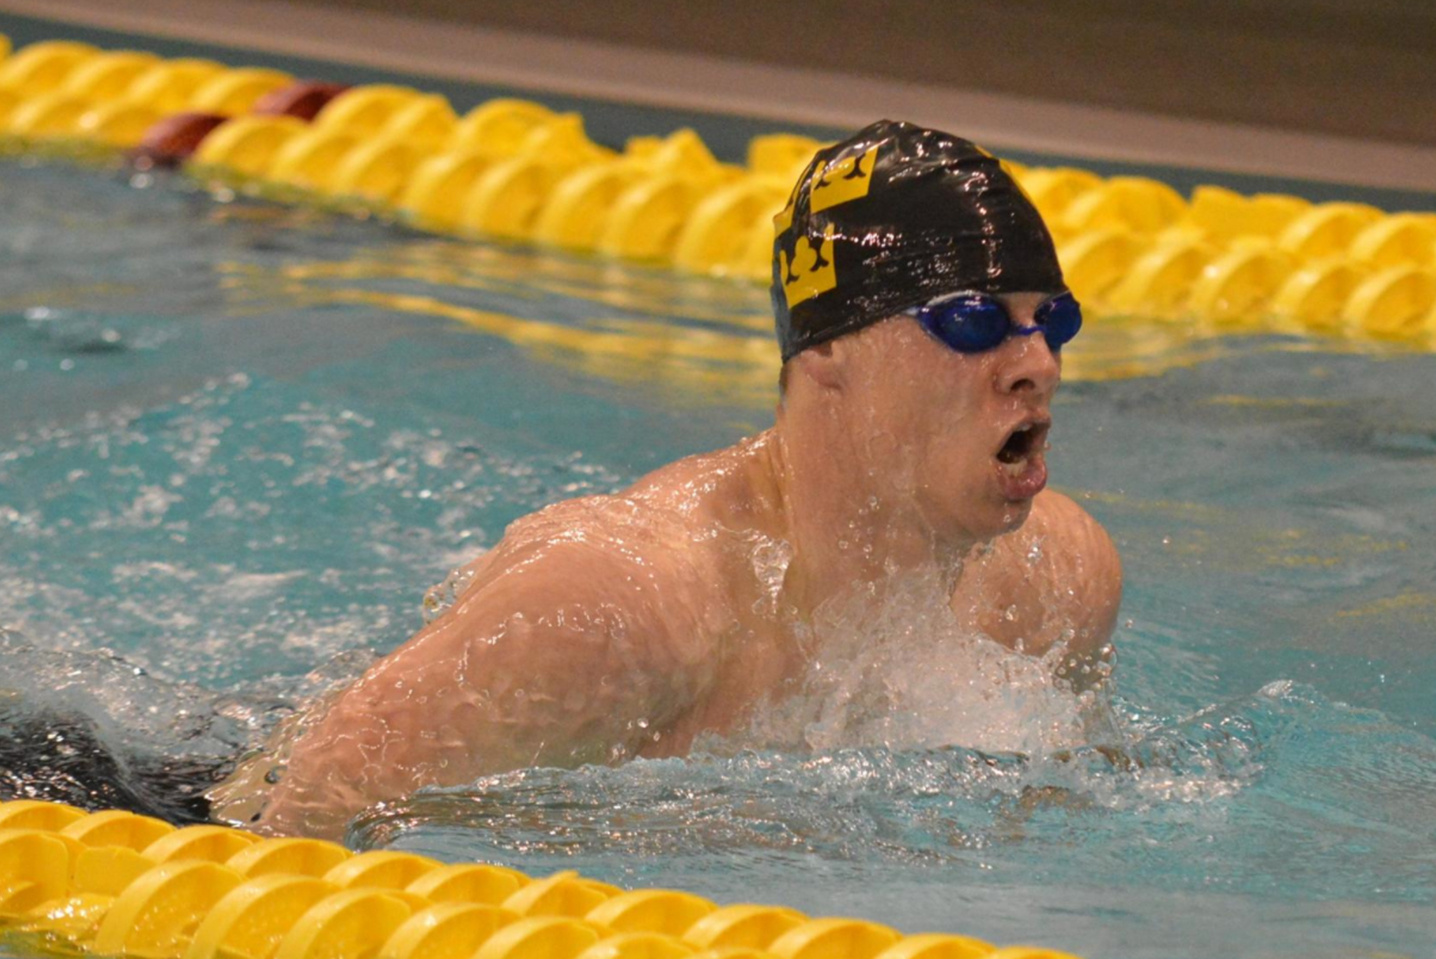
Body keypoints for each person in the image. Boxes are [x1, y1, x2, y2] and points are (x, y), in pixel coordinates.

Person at [210, 120, 1123, 840]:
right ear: (831, 346)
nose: (1035, 361)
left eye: (1053, 320)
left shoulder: (1061, 583)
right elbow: (288, 832)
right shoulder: (619, 608)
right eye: (971, 321)